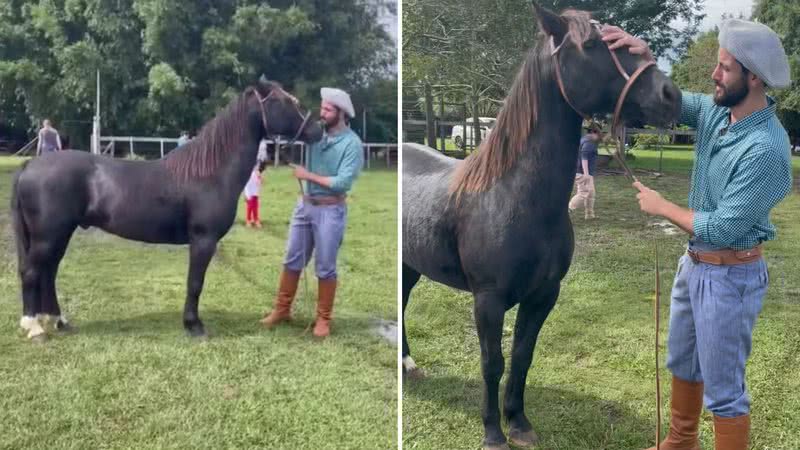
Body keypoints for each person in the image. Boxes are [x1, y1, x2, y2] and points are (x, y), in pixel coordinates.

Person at [603, 19, 792, 450]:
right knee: (684, 362)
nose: (714, 74)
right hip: (695, 266)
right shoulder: (715, 111)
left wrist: (661, 206)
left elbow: (726, 226)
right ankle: (681, 441)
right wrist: (643, 58)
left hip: (731, 277)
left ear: (754, 77)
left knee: (723, 391)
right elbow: (670, 103)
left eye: (724, 68)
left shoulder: (766, 147)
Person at [260, 87, 364, 338]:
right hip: (304, 206)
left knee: (326, 266)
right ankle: (282, 309)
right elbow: (295, 123)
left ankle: (323, 320)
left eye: (327, 109)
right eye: (322, 107)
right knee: (292, 259)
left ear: (341, 113)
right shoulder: (316, 135)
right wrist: (288, 101)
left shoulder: (352, 144)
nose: (322, 112)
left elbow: (342, 183)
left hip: (331, 210)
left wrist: (308, 175)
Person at [568, 127, 602, 219]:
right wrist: (586, 174)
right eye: (598, 134)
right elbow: (584, 157)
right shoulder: (589, 143)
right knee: (583, 193)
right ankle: (568, 209)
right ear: (593, 133)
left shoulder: (584, 140)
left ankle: (589, 215)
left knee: (591, 193)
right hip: (583, 172)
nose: (599, 137)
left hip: (583, 172)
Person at [243, 163, 263, 228]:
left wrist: (259, 176)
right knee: (250, 201)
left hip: (255, 178)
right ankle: (248, 220)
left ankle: (256, 219)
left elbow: (260, 167)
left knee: (255, 201)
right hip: (248, 178)